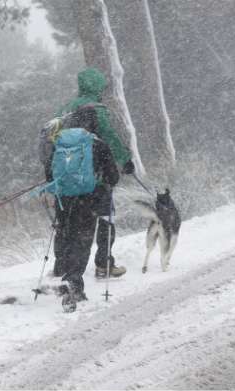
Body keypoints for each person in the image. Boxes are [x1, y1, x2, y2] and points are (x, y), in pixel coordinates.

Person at [52, 67, 135, 279]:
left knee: (65, 221)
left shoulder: (64, 109)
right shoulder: (97, 109)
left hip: (66, 177)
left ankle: (61, 265)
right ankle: (104, 263)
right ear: (97, 86)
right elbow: (110, 137)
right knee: (106, 216)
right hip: (94, 176)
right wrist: (125, 160)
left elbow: (51, 140)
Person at [43, 129, 119, 301]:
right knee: (82, 241)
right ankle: (73, 283)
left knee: (66, 235)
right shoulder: (98, 145)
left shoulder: (60, 144)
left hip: (63, 199)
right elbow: (113, 177)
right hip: (89, 199)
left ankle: (62, 271)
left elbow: (49, 175)